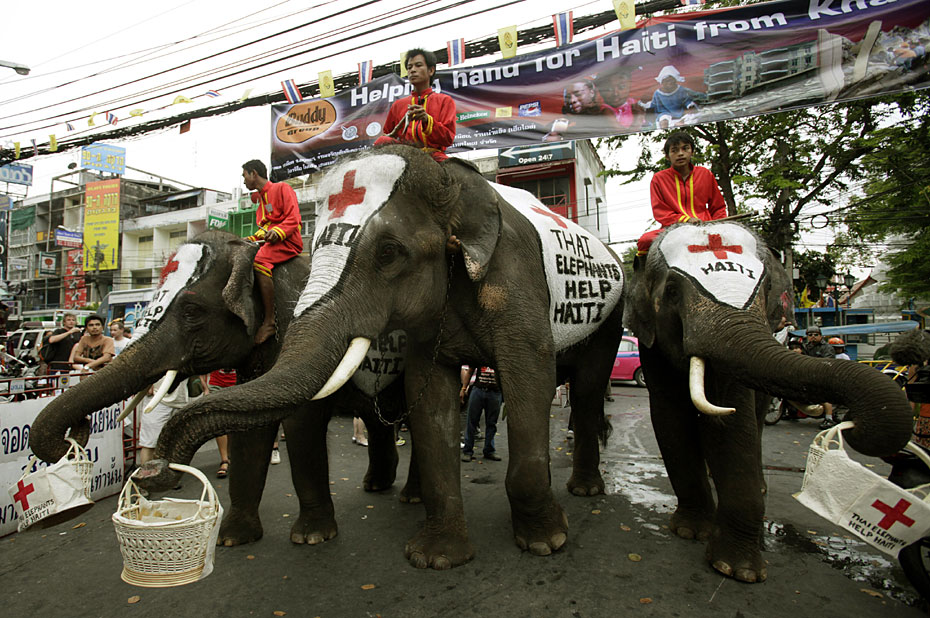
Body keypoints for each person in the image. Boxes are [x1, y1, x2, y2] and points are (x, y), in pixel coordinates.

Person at [242, 159, 304, 345]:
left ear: (254, 173)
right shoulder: (261, 200)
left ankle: (270, 321)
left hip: (288, 241)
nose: (243, 181)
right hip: (271, 243)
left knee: (260, 261)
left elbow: (293, 218)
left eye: (244, 176)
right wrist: (251, 239)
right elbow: (265, 228)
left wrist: (277, 232)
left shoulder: (282, 188)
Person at [636, 130, 727, 255]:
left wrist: (719, 225)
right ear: (667, 156)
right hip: (672, 229)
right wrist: (685, 220)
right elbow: (660, 212)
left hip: (706, 226)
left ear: (692, 151)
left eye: (685, 148)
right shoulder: (659, 179)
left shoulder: (705, 174)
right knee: (644, 241)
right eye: (674, 150)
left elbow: (718, 207)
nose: (680, 154)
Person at [374, 48, 456, 162]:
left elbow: (448, 138)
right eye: (409, 67)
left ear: (431, 70)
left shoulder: (445, 101)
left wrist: (427, 120)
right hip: (403, 155)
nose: (412, 70)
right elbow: (387, 135)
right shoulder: (398, 105)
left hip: (435, 156)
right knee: (381, 141)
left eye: (418, 65)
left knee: (460, 170)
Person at [139, 374, 190, 465]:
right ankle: (147, 473)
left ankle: (170, 473)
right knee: (150, 444)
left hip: (180, 400)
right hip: (157, 401)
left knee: (176, 444)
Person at [461, 365, 503, 462]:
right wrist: (463, 388)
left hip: (495, 392)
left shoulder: (501, 360)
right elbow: (470, 371)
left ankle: (489, 450)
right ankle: (467, 451)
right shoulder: (480, 357)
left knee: (491, 423)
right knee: (472, 422)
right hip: (478, 390)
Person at [201, 369, 235, 477]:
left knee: (233, 423)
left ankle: (230, 455)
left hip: (237, 385)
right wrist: (205, 388)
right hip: (217, 386)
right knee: (220, 423)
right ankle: (224, 460)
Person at [802, 325, 837, 429]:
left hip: (823, 375)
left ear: (821, 336)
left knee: (823, 395)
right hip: (808, 375)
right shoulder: (805, 347)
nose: (813, 336)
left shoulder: (827, 348)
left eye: (816, 335)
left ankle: (829, 418)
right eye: (810, 335)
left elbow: (828, 361)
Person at [648, 65, 700, 129]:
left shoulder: (680, 89)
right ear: (662, 82)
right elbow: (654, 106)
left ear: (675, 81)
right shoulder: (657, 93)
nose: (670, 83)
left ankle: (679, 123)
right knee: (663, 122)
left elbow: (686, 100)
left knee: (693, 115)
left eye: (671, 80)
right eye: (667, 81)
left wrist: (690, 105)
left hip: (681, 112)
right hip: (665, 113)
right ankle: (670, 126)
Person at [595, 66, 644, 130]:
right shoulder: (606, 110)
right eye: (609, 89)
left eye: (621, 87)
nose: (615, 93)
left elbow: (641, 116)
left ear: (629, 86)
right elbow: (617, 129)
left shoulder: (632, 102)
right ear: (601, 91)